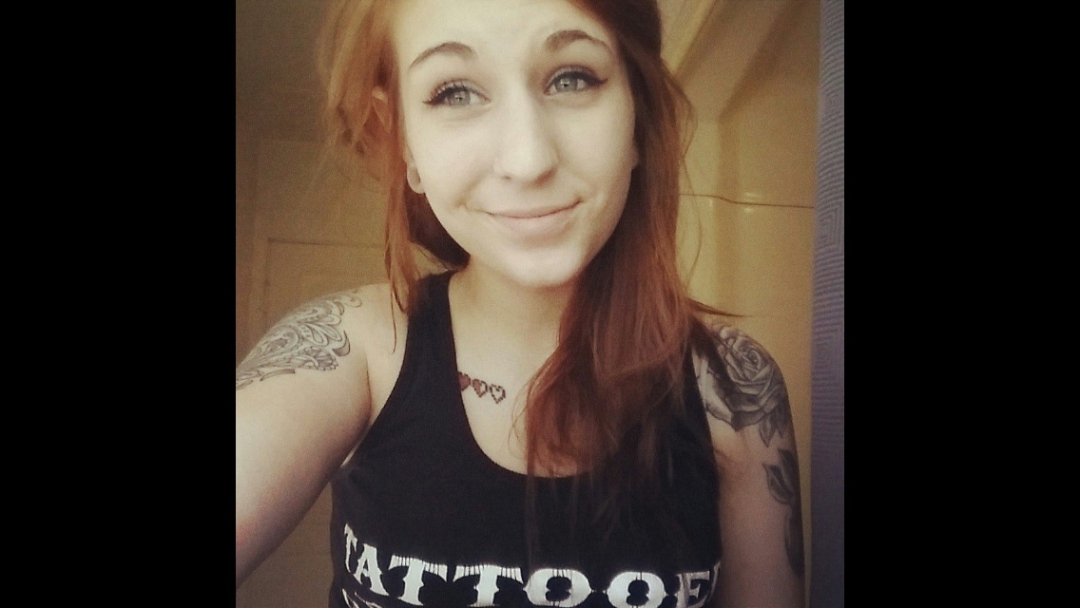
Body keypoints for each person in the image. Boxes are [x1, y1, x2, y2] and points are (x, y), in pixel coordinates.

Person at [236, 0, 805, 606]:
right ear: (403, 143)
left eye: (572, 78)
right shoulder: (351, 348)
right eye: (455, 93)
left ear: (636, 118)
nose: (528, 161)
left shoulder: (735, 388)